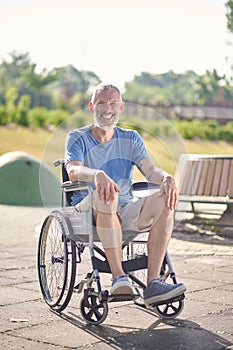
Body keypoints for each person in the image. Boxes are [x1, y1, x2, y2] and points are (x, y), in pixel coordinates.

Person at [65, 82, 186, 306]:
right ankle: (119, 277)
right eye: (101, 103)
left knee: (165, 197)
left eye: (113, 103)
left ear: (121, 107)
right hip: (87, 209)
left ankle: (153, 284)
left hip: (123, 210)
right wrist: (96, 175)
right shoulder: (77, 137)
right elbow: (73, 170)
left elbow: (150, 171)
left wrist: (167, 177)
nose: (107, 108)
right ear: (92, 107)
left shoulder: (131, 138)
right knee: (106, 194)